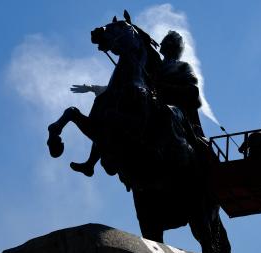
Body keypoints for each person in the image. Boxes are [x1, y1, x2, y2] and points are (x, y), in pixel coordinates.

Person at [70, 30, 205, 176]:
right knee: (111, 112)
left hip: (177, 110)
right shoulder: (154, 66)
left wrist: (164, 87)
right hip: (152, 103)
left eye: (167, 41)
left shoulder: (183, 67)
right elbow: (126, 86)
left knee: (166, 112)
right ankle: (91, 163)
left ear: (174, 47)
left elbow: (193, 91)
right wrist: (93, 88)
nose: (162, 43)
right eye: (164, 40)